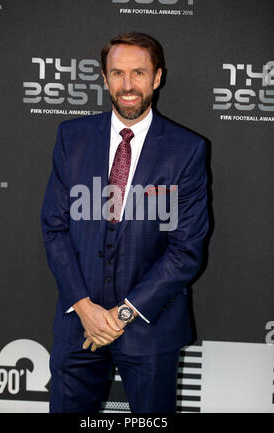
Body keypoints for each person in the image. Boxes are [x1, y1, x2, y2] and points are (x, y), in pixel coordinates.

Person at [41, 32, 209, 413]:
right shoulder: (72, 137)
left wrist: (119, 316)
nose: (128, 85)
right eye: (117, 73)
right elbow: (54, 227)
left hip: (150, 330)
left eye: (138, 73)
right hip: (77, 328)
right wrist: (85, 308)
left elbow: (186, 250)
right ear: (104, 78)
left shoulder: (187, 150)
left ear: (157, 77)